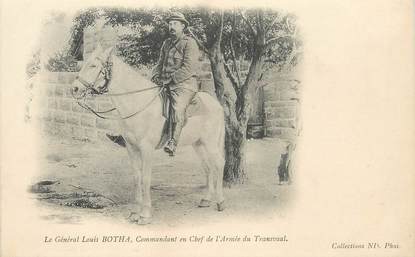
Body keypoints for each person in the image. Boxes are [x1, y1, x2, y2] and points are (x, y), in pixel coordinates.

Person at [151, 12, 200, 156]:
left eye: (175, 24)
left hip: (184, 85)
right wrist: (155, 75)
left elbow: (189, 67)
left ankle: (173, 141)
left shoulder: (189, 43)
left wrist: (171, 79)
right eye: (170, 24)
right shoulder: (167, 43)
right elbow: (160, 63)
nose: (171, 27)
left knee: (177, 106)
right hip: (165, 83)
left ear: (183, 26)